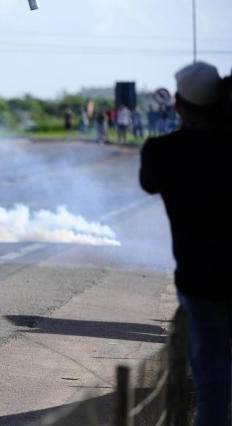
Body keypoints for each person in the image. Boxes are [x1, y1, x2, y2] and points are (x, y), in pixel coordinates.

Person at [140, 61, 230, 426]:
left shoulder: (163, 152)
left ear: (179, 104)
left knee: (211, 384)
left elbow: (149, 182)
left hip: (199, 282)